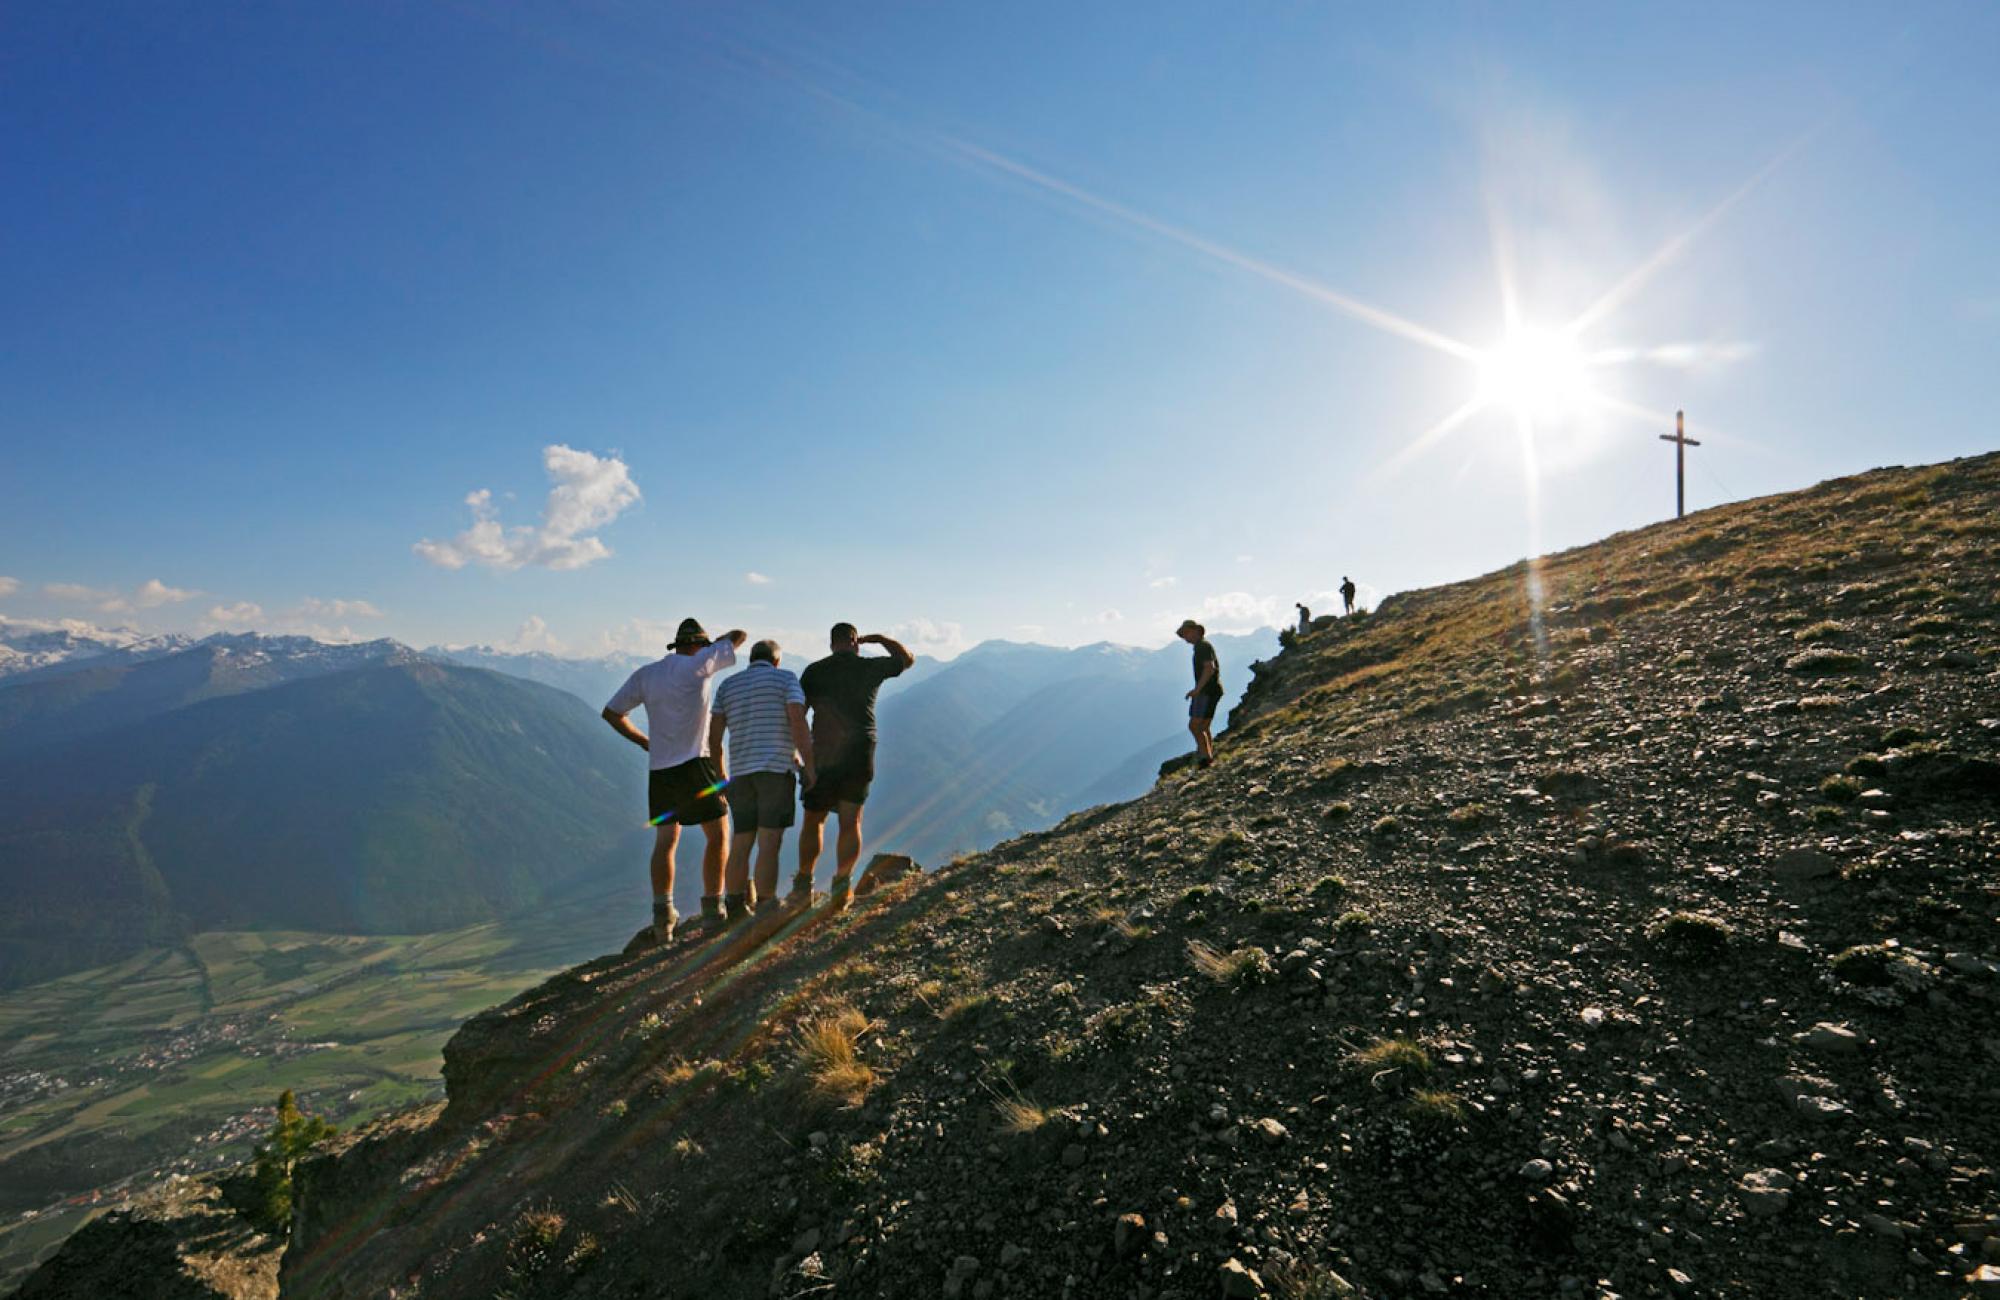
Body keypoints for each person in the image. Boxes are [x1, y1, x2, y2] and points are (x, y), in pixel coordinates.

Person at [601, 618, 746, 941]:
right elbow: (739, 635)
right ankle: (712, 911)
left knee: (666, 842)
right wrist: (714, 646)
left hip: (661, 769)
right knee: (719, 835)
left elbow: (612, 713)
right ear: (699, 645)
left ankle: (663, 917)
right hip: (696, 763)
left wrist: (644, 741)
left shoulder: (646, 674)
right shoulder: (700, 665)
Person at [797, 624, 914, 911]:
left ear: (831, 643)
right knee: (851, 822)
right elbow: (907, 659)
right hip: (860, 749)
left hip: (823, 749)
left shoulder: (814, 671)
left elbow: (798, 715)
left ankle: (803, 888)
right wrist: (880, 639)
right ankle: (842, 887)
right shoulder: (869, 667)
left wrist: (802, 758)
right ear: (855, 641)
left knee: (814, 819)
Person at [707, 640, 815, 920]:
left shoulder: (728, 686)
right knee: (769, 841)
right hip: (775, 772)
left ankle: (734, 904)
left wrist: (720, 777)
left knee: (741, 840)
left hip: (740, 773)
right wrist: (810, 764)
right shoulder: (786, 679)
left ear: (751, 659)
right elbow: (797, 720)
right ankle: (766, 904)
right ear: (776, 661)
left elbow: (714, 737)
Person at [1177, 618, 1224, 769]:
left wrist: (1197, 690)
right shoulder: (1203, 646)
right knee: (1203, 726)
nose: (1185, 637)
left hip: (1206, 692)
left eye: (1187, 633)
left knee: (1194, 726)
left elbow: (1209, 668)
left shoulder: (1202, 647)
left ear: (1196, 631)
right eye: (1183, 635)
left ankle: (1205, 758)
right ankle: (1208, 756)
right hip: (1213, 690)